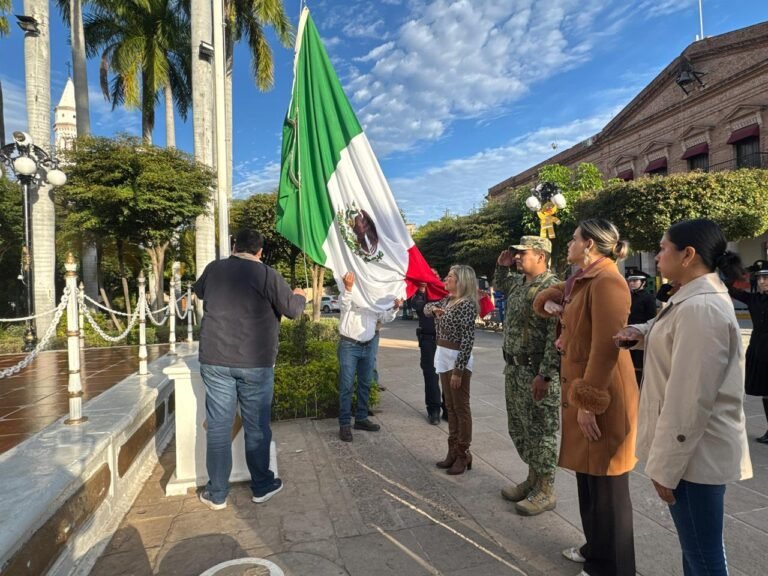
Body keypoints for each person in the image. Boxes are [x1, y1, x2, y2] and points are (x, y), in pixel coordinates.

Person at [615, 219, 753, 576]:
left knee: (704, 558)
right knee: (696, 552)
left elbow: (689, 400)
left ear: (688, 254)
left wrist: (666, 468)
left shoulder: (701, 308)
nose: (658, 256)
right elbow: (672, 332)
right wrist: (641, 332)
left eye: (663, 248)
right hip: (691, 452)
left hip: (694, 455)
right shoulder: (690, 299)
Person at [533, 219, 638, 576]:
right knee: (589, 478)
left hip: (602, 391)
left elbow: (607, 347)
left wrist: (589, 403)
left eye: (574, 239)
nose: (568, 244)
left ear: (590, 244)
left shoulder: (608, 281)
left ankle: (613, 567)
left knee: (607, 486)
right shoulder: (582, 279)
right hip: (585, 389)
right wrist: (552, 303)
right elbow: (553, 297)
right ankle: (596, 549)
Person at [193, 229, 306, 510]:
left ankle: (217, 493)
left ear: (234, 246)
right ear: (260, 252)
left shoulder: (214, 269)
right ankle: (262, 486)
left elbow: (199, 292)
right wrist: (299, 295)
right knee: (256, 427)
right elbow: (293, 310)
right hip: (256, 363)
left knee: (218, 428)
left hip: (216, 361)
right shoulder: (267, 274)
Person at [494, 236, 561, 516]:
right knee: (520, 428)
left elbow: (555, 337)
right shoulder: (520, 283)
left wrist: (545, 375)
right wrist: (502, 266)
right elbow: (500, 284)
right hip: (514, 369)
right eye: (517, 253)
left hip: (536, 372)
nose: (518, 257)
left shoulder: (552, 288)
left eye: (524, 253)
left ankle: (545, 490)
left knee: (541, 432)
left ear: (541, 256)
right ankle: (533, 480)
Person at [424, 265, 479, 475]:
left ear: (461, 281)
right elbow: (426, 308)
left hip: (457, 358)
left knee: (461, 407)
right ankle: (453, 449)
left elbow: (468, 339)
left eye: (450, 277)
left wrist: (459, 370)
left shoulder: (466, 305)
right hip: (443, 355)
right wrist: (434, 310)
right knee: (450, 406)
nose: (446, 279)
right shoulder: (447, 301)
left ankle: (463, 453)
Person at [337, 271, 401, 442]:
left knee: (365, 383)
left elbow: (383, 317)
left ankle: (361, 418)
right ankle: (344, 424)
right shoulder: (349, 294)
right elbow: (343, 306)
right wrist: (348, 288)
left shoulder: (374, 301)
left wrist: (395, 308)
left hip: (368, 345)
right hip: (349, 345)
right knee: (346, 386)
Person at [729, 260, 768, 443]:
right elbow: (730, 288)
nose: (761, 281)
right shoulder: (754, 299)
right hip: (759, 349)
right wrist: (740, 271)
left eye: (766, 278)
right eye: (759, 278)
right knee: (764, 392)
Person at [410, 271, 444, 425]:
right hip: (428, 339)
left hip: (446, 340)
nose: (431, 278)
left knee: (448, 375)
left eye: (434, 275)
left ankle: (448, 409)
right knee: (430, 375)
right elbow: (416, 306)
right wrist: (422, 289)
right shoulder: (421, 294)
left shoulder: (445, 292)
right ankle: (434, 410)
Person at [625, 269, 657, 384]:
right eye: (630, 281)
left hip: (641, 334)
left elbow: (651, 319)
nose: (632, 283)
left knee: (640, 366)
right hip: (628, 333)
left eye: (635, 281)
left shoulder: (648, 298)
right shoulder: (628, 296)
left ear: (643, 283)